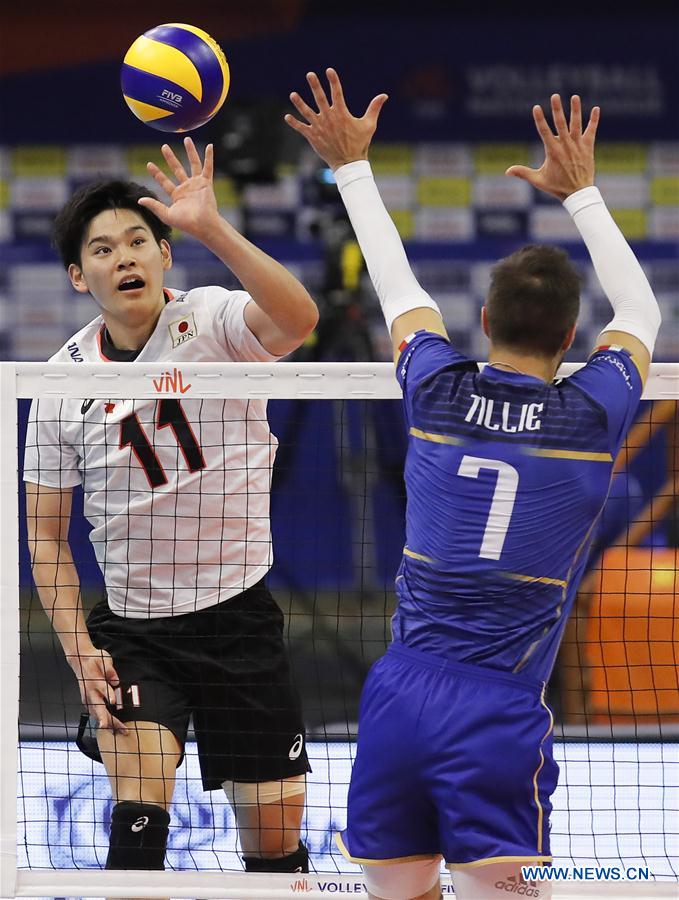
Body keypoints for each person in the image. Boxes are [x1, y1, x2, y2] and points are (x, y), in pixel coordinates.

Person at [285, 70, 661, 900]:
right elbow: (641, 311)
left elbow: (398, 290)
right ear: (571, 338)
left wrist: (351, 166)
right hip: (494, 713)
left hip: (397, 692)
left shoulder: (435, 390)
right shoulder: (589, 415)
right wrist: (583, 195)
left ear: (483, 322)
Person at [23, 137, 318, 876]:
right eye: (101, 249)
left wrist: (213, 227)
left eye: (137, 242)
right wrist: (80, 651)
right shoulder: (60, 385)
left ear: (164, 255)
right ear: (77, 275)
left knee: (275, 849)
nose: (122, 258)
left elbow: (297, 320)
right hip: (136, 635)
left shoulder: (213, 321)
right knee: (140, 813)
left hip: (239, 620)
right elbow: (47, 539)